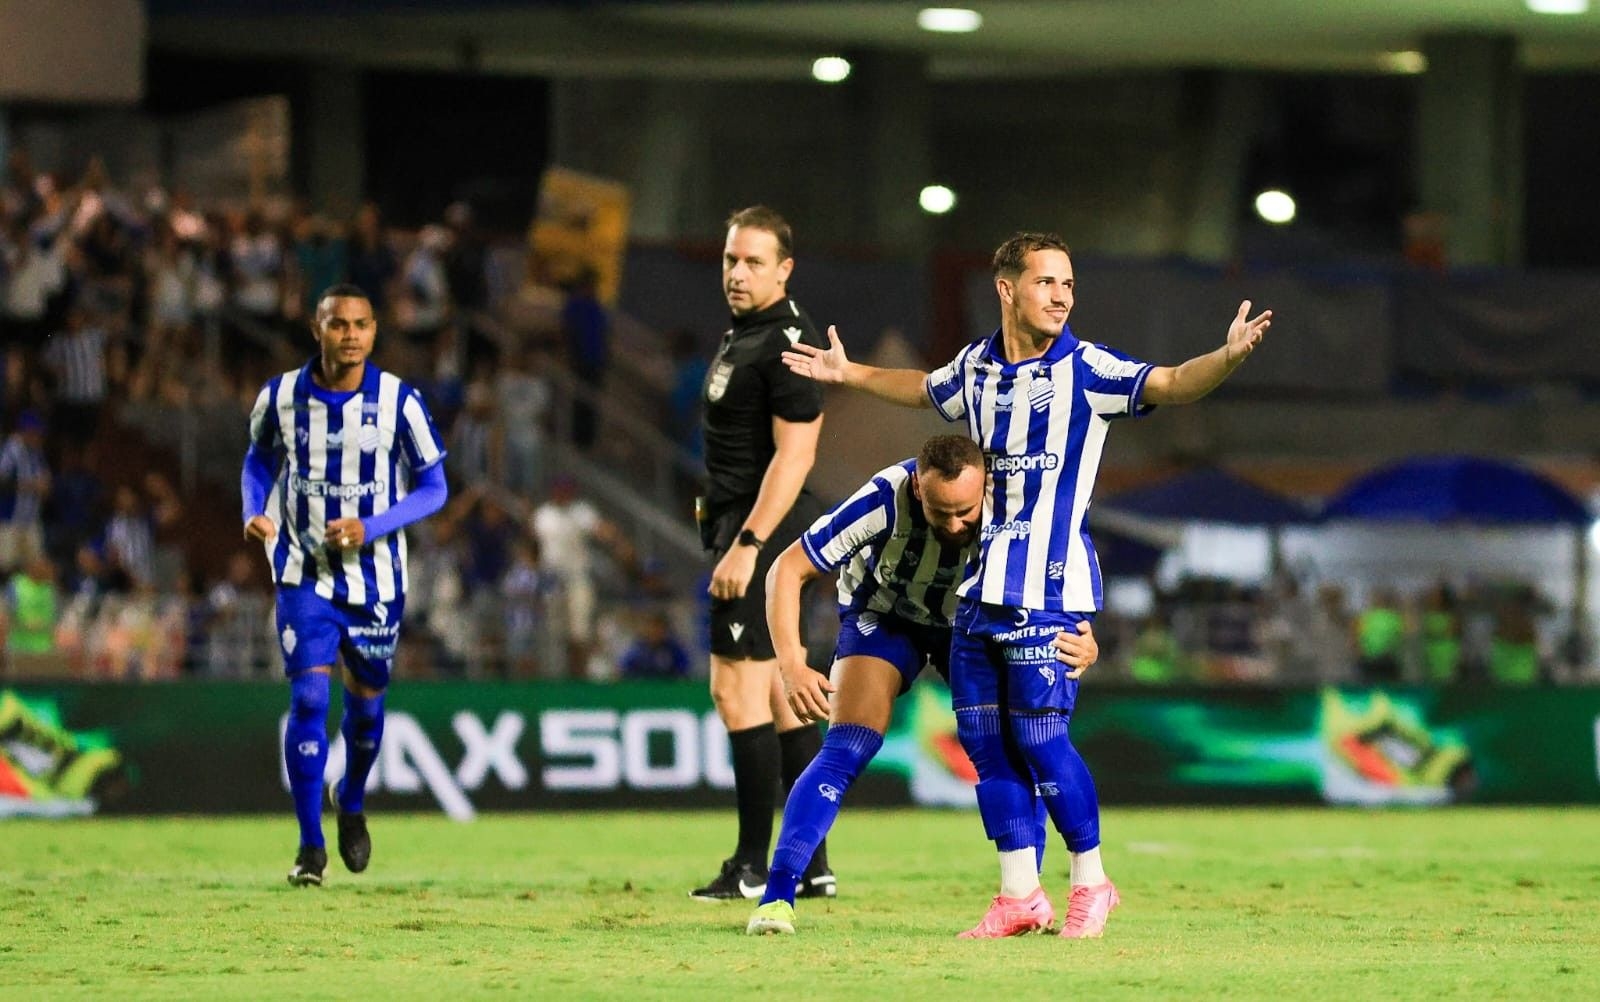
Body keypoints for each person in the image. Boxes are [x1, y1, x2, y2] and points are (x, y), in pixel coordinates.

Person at [782, 231, 1271, 937]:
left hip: (1048, 589)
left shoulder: (1089, 369)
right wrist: (849, 372)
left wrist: (1224, 359)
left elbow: (1168, 382)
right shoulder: (975, 367)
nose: (1063, 295)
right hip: (978, 594)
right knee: (985, 746)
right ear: (1006, 289)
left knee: (1041, 740)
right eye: (1047, 282)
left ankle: (1092, 882)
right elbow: (920, 391)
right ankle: (1019, 895)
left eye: (1069, 284)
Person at [745, 435, 1099, 936]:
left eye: (966, 512)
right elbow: (787, 568)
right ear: (917, 485)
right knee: (847, 746)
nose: (955, 525)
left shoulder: (1015, 500)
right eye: (940, 511)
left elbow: (1060, 563)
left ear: (986, 487)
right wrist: (793, 666)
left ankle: (1025, 895)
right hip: (886, 619)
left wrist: (1088, 636)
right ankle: (777, 898)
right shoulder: (883, 498)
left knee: (1018, 746)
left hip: (975, 627)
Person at [241, 282, 449, 887]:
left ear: (374, 331)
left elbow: (435, 487)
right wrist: (253, 508)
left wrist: (372, 527)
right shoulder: (279, 397)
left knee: (365, 714)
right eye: (338, 325)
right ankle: (310, 848)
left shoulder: (399, 402)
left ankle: (350, 797)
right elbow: (257, 459)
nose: (350, 335)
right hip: (302, 573)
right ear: (318, 329)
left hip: (376, 581)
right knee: (308, 701)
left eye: (361, 324)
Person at [690, 206, 831, 901]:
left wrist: (747, 545)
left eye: (752, 262)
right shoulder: (748, 334)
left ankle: (752, 865)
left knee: (735, 689)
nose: (737, 273)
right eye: (729, 260)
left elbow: (797, 453)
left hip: (759, 534)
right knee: (782, 696)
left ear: (784, 269)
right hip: (741, 527)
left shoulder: (786, 341)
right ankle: (814, 863)